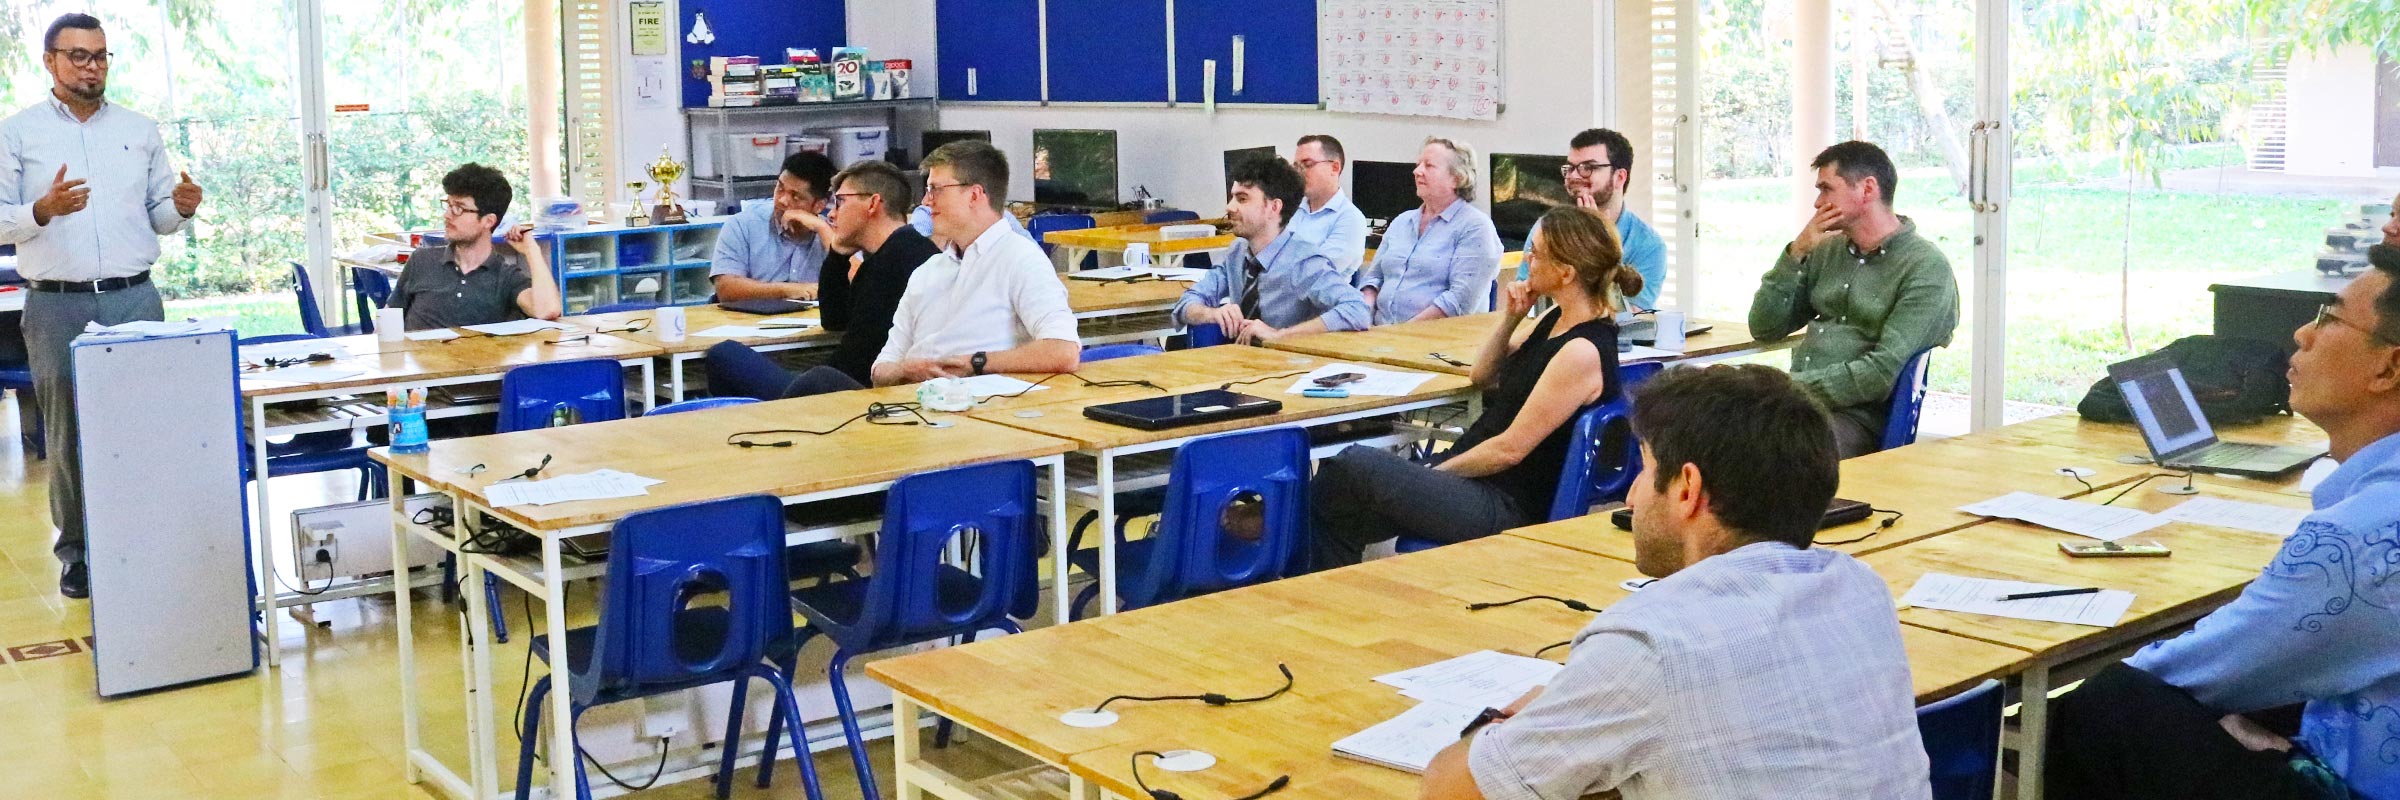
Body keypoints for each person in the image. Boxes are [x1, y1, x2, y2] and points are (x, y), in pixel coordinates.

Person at [1418, 363, 1932, 800]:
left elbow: (1450, 789)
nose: (1630, 498)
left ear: (1687, 488)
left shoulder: (1652, 643)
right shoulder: (1862, 589)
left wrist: (1511, 725)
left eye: (1643, 472)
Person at [2044, 242, 2400, 800]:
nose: (2302, 334)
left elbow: (2194, 671)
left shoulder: (2357, 538)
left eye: (2327, 318)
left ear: (2390, 366)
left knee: (2109, 705)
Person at [1, 14, 205, 598]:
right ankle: (78, 553)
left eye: (101, 56)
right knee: (69, 435)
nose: (92, 67)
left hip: (134, 297)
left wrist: (183, 207)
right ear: (50, 62)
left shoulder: (140, 130)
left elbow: (160, 218)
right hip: (56, 305)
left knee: (147, 428)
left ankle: (145, 542)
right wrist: (41, 211)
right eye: (79, 56)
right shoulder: (17, 133)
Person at [1310, 207, 1626, 569]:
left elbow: (1510, 450)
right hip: (1481, 484)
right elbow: (1481, 375)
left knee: (1354, 464)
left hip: (1505, 503)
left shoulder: (1582, 350)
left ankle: (1262, 532)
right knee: (1337, 510)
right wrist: (1511, 318)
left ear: (1566, 272)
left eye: (1536, 253)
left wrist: (1435, 472)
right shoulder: (1554, 318)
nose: (1527, 259)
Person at [1747, 140, 1958, 458]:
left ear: (1868, 189)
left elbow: (1880, 374)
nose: (1818, 203)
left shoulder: (1926, 268)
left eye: (1826, 189)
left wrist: (1788, 390)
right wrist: (1796, 253)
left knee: (1761, 449)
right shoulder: (1825, 250)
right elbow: (1764, 327)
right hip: (1799, 409)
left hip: (1858, 421)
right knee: (1701, 429)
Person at [704, 161, 943, 398]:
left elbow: (857, 360)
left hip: (850, 399)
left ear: (873, 204)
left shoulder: (897, 260)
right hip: (853, 389)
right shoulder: (896, 251)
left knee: (723, 353)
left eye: (840, 202)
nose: (833, 214)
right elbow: (835, 320)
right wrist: (838, 253)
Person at [872, 140, 1078, 386]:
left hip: (981, 406)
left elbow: (1063, 351)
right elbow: (881, 371)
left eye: (935, 189)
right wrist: (905, 370)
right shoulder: (927, 271)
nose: (926, 201)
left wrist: (975, 363)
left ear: (974, 194)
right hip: (915, 403)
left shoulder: (1020, 258)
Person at [1172, 157, 1368, 345]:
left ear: (1274, 207)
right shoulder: (1238, 252)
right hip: (1242, 366)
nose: (1229, 207)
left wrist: (1280, 335)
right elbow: (1186, 302)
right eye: (1232, 197)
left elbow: (1357, 309)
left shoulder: (1304, 262)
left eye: (1242, 199)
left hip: (1291, 368)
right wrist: (1212, 313)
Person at [392, 163, 562, 330]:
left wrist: (532, 251)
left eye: (459, 208)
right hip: (418, 356)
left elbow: (547, 310)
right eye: (448, 205)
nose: (447, 215)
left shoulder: (505, 277)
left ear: (488, 221)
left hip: (476, 357)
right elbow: (388, 319)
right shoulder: (421, 260)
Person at [1361, 137, 1502, 325]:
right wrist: (1363, 314)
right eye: (1418, 164)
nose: (1416, 171)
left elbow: (1459, 302)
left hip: (1438, 343)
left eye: (1429, 166)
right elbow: (1373, 278)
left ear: (1457, 178)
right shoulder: (1402, 222)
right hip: (1379, 335)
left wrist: (1399, 333)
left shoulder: (1475, 227)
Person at [1523, 129, 1666, 311]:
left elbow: (1628, 317)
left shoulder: (1649, 245)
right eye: (1570, 168)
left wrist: (1593, 240)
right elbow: (1528, 294)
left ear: (1619, 177)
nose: (1574, 176)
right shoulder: (1545, 228)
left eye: (1588, 168)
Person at [711, 151, 835, 302]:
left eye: (795, 196)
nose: (782, 200)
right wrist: (786, 290)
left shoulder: (831, 231)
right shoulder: (741, 225)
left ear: (819, 205)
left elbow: (859, 285)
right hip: (748, 321)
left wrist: (822, 229)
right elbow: (726, 288)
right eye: (780, 188)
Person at [1288, 134, 1369, 279]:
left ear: (1334, 167)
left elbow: (1315, 273)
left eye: (1307, 165)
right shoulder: (1289, 207)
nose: (1299, 173)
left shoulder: (1350, 219)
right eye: (1296, 167)